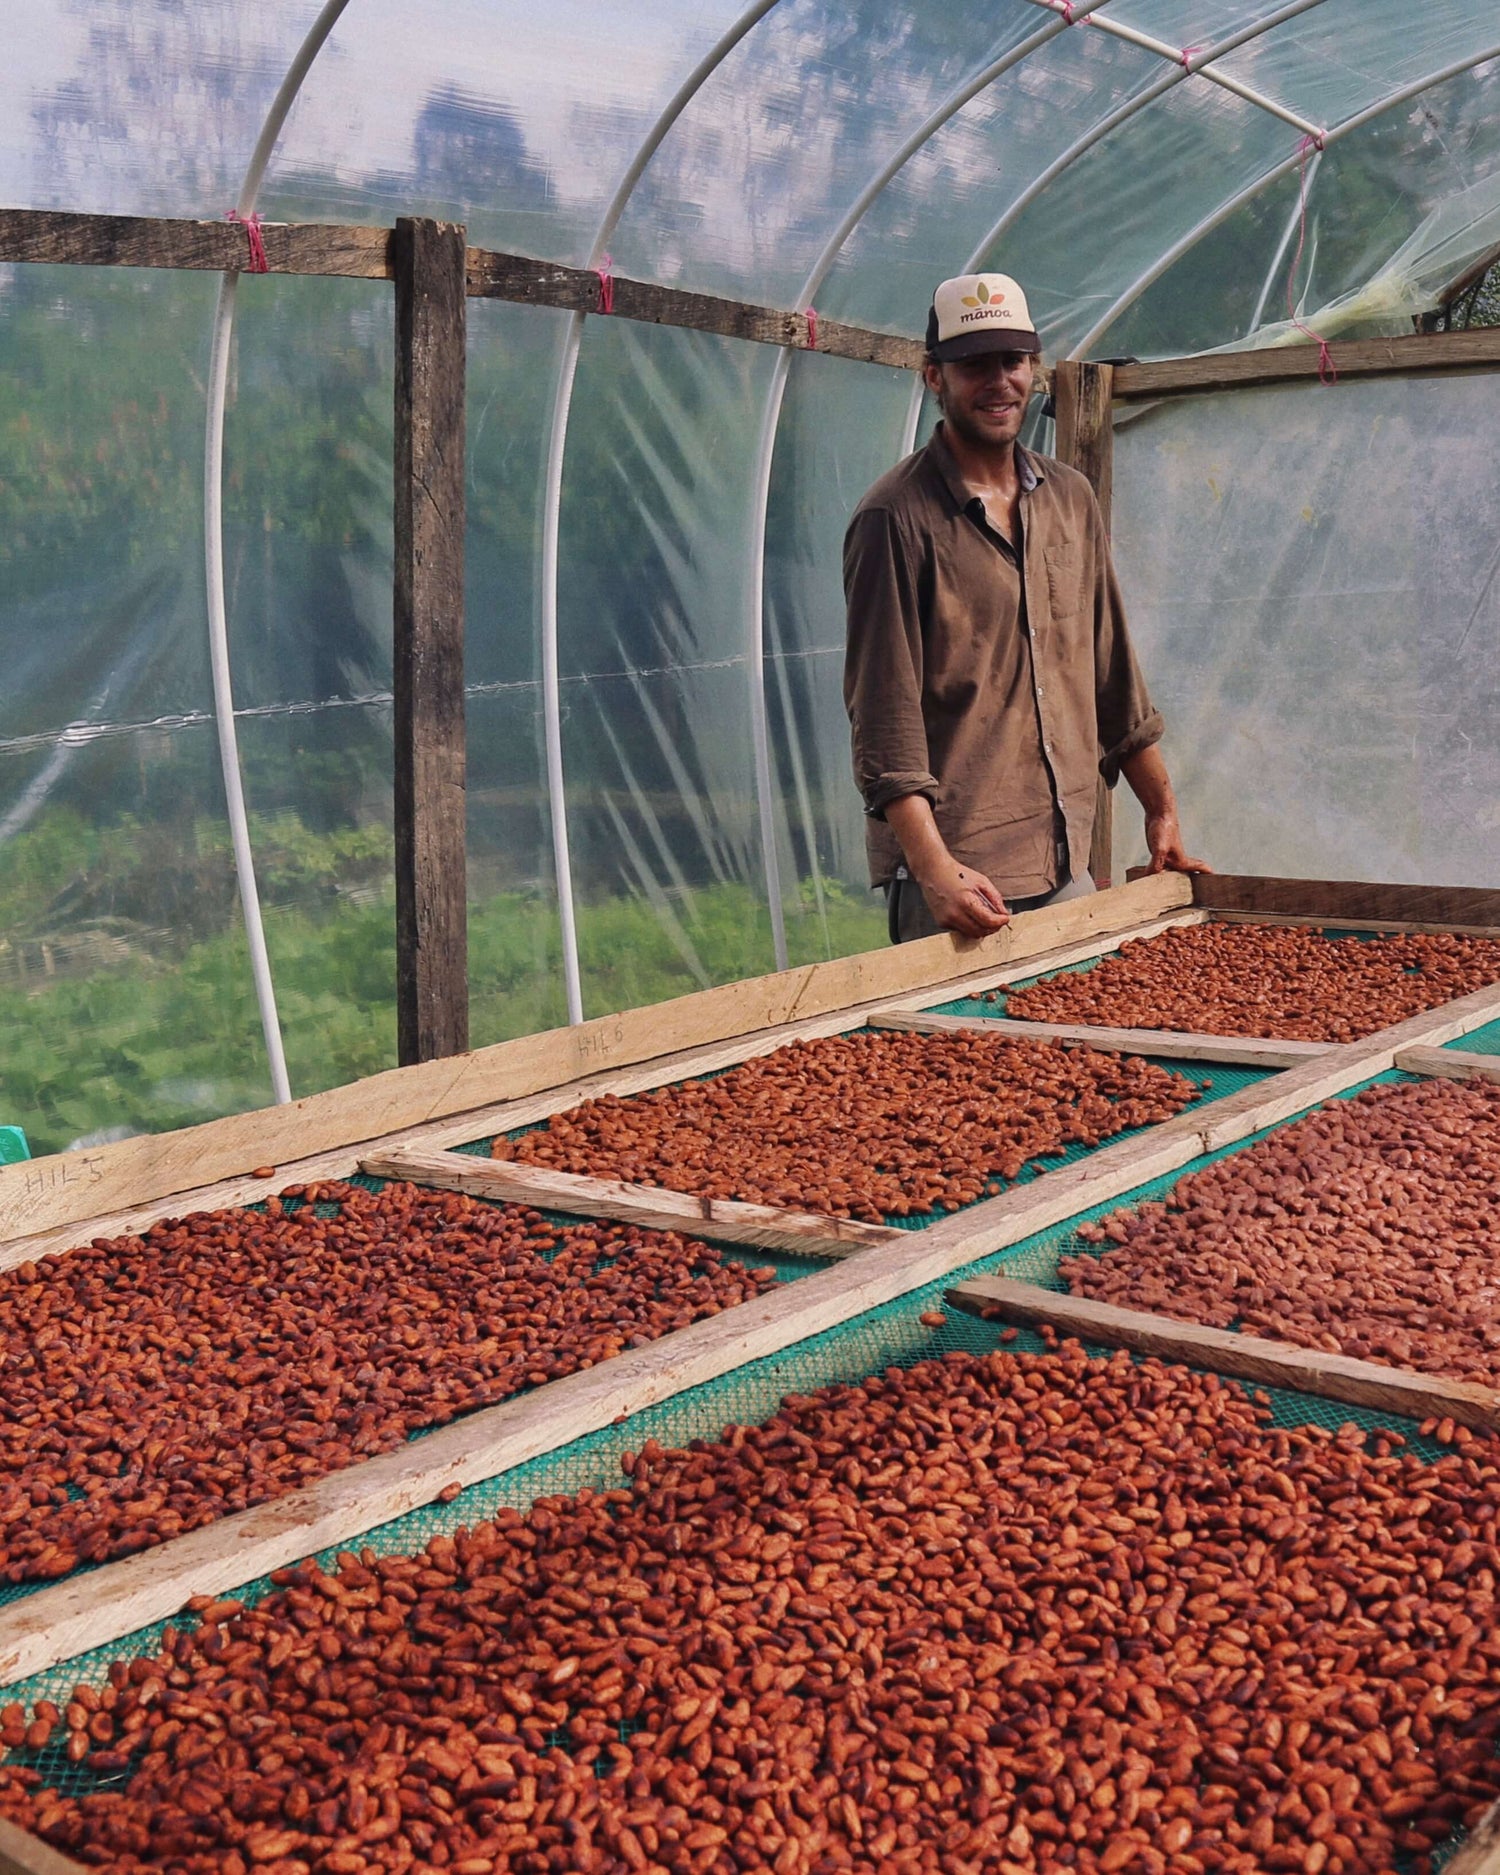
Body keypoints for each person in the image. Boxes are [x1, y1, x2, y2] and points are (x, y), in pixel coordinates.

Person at [843, 270, 1206, 944]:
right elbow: (884, 718)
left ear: (1034, 369)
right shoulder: (894, 519)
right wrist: (932, 867)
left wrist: (1160, 806)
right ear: (933, 378)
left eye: (1012, 361)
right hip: (959, 881)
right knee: (967, 1050)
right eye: (974, 365)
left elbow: (1111, 671)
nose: (998, 382)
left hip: (1067, 860)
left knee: (1070, 1046)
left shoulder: (1069, 499)